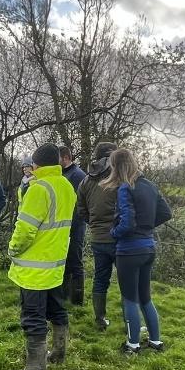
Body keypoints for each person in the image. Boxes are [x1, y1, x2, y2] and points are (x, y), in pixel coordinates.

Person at [7, 143, 76, 370]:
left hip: (34, 268)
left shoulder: (38, 189)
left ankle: (35, 367)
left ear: (36, 164)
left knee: (33, 316)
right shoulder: (66, 185)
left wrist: (13, 250)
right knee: (57, 309)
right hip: (56, 264)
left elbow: (24, 230)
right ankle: (58, 352)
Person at [104, 147, 170, 354]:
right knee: (145, 297)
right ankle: (156, 341)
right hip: (149, 248)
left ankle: (132, 345)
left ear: (116, 166)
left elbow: (127, 224)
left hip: (129, 250)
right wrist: (147, 226)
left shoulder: (126, 188)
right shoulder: (150, 185)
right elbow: (166, 213)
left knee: (129, 298)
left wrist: (113, 232)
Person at [75, 142, 118, 331]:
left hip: (97, 237)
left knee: (100, 278)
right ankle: (130, 320)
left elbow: (81, 209)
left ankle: (100, 319)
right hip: (119, 237)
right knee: (127, 280)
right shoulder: (119, 177)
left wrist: (93, 223)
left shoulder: (86, 180)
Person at [60, 145, 89, 306]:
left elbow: (81, 204)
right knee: (64, 261)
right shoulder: (63, 174)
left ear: (65, 158)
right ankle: (63, 296)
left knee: (75, 261)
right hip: (63, 226)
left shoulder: (78, 175)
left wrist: (74, 224)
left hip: (75, 226)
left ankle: (77, 300)